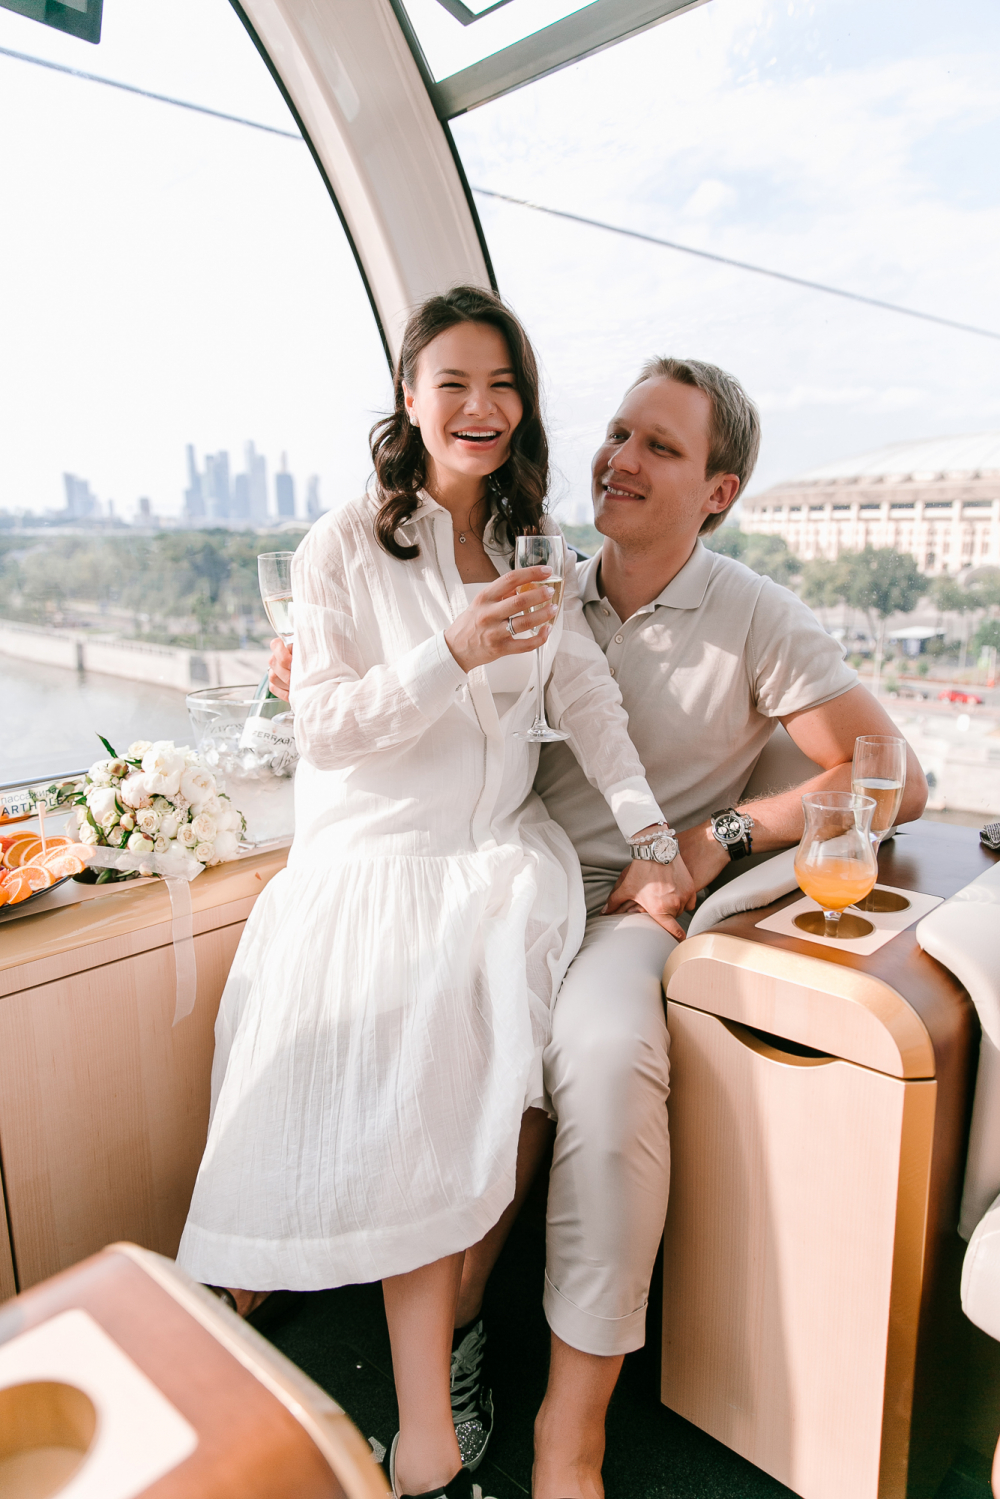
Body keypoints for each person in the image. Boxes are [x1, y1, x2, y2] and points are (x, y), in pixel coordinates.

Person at [270, 353, 928, 1499]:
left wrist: (716, 835)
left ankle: (570, 1435)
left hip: (631, 897)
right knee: (439, 1045)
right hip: (504, 880)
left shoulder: (756, 615)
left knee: (607, 1052)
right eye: (618, 433)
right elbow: (410, 695)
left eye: (659, 446)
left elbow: (896, 779)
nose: (619, 459)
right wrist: (312, 678)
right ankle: (447, 1344)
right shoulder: (539, 580)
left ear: (717, 490)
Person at [177, 286, 692, 1499]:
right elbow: (329, 729)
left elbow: (587, 704)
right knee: (415, 1087)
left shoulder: (529, 545)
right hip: (376, 865)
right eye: (452, 382)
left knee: (470, 1083)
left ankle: (431, 1407)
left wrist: (652, 834)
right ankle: (402, 1422)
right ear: (408, 399)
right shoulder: (342, 545)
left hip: (499, 862)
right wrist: (448, 650)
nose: (480, 406)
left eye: (502, 384)